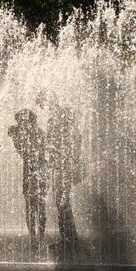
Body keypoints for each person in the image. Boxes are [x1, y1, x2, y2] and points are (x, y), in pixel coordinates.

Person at [38, 91, 82, 259]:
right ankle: (68, 236)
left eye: (43, 104)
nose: (44, 108)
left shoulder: (63, 115)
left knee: (62, 200)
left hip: (66, 165)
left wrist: (73, 160)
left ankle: (69, 238)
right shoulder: (54, 119)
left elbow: (76, 138)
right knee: (61, 201)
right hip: (59, 165)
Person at [8, 109, 50, 252]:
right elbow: (23, 152)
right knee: (32, 206)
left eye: (22, 120)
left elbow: (40, 152)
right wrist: (15, 135)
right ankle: (34, 237)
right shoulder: (22, 134)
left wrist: (15, 134)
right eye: (19, 121)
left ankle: (40, 237)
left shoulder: (37, 133)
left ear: (29, 120)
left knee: (39, 205)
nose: (20, 123)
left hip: (40, 172)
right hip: (31, 172)